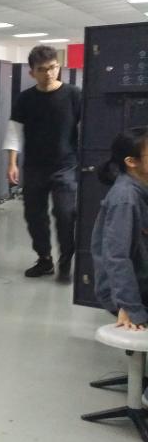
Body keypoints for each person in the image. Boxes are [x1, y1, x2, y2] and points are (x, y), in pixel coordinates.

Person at [4, 45, 82, 281]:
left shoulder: (74, 95)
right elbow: (14, 131)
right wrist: (12, 163)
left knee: (65, 213)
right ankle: (44, 259)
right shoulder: (25, 99)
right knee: (34, 215)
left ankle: (66, 259)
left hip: (66, 166)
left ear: (59, 67)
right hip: (34, 167)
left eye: (52, 67)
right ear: (32, 73)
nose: (49, 73)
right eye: (42, 69)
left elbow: (86, 128)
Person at [91, 127, 148, 332]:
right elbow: (117, 257)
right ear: (131, 162)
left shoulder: (142, 186)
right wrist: (131, 307)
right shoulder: (125, 199)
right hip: (130, 292)